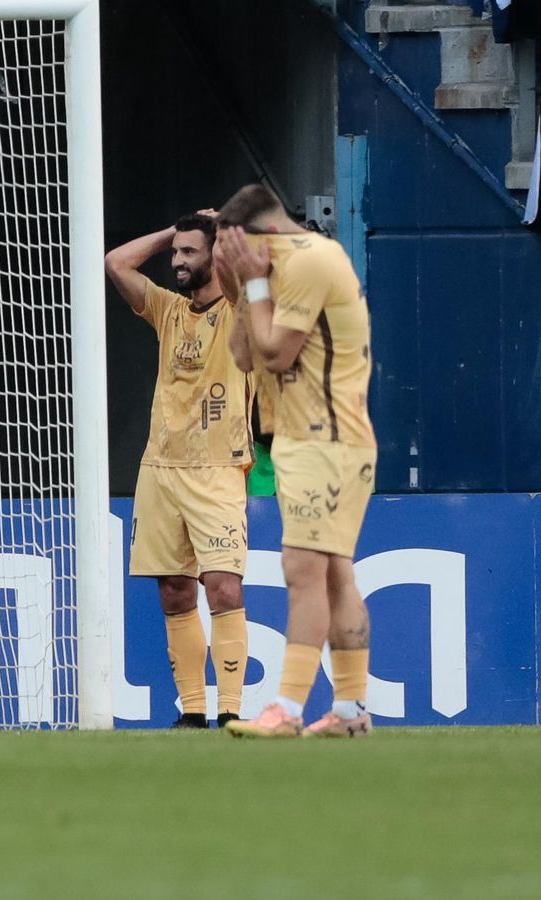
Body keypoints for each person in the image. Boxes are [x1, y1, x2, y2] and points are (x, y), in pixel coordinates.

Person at [213, 184, 378, 739]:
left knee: (301, 568)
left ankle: (286, 708)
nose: (226, 261)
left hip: (326, 438)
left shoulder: (309, 260)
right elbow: (244, 355)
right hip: (305, 440)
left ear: (262, 237)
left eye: (231, 250)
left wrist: (256, 280)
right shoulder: (276, 273)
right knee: (333, 573)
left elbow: (278, 351)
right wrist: (243, 286)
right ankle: (353, 712)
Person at [104, 211, 254, 729]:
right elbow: (116, 262)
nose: (178, 261)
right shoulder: (168, 310)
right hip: (161, 467)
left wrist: (224, 232)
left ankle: (231, 709)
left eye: (190, 252)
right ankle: (192, 711)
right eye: (175, 253)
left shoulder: (240, 308)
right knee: (174, 588)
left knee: (224, 585)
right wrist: (174, 230)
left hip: (216, 467)